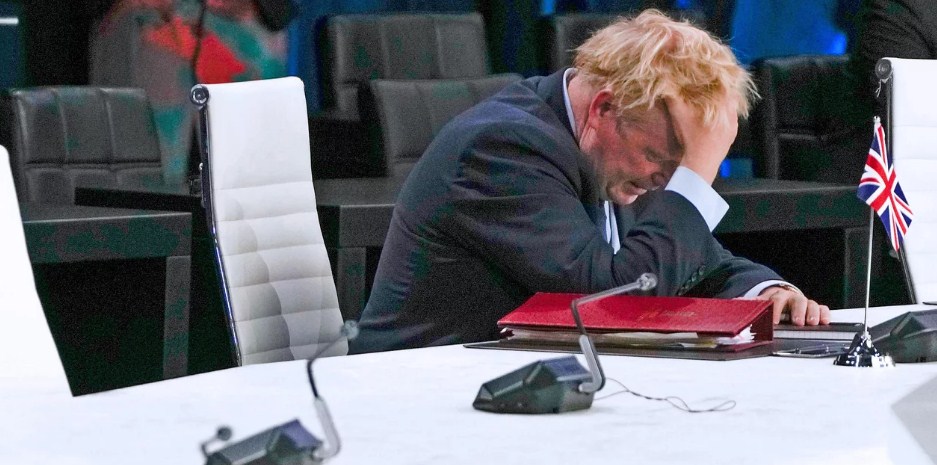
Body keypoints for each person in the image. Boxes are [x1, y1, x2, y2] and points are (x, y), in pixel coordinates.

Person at [350, 10, 830, 354]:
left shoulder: (614, 155)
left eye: (678, 171)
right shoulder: (503, 148)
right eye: (657, 159)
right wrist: (696, 175)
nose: (663, 182)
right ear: (604, 108)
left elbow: (689, 258)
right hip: (418, 398)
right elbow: (614, 302)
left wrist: (763, 292)